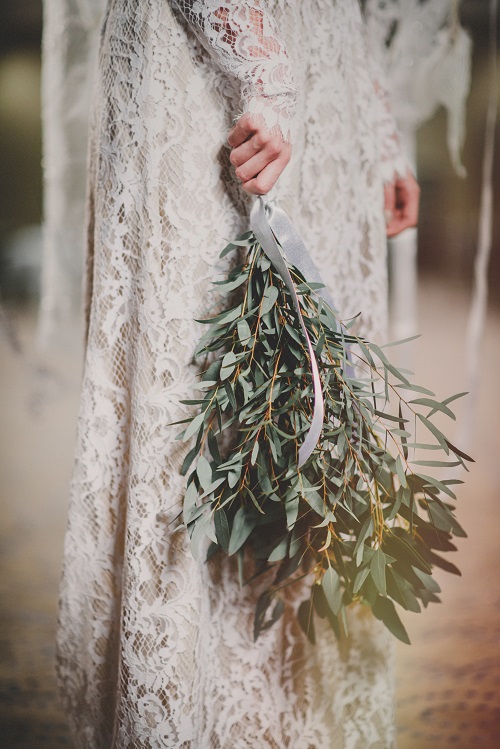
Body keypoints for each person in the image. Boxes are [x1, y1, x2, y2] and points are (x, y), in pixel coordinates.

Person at [53, 1, 419, 746]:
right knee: (198, 391)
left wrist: (378, 128)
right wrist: (265, 73)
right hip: (209, 53)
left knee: (314, 406)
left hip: (320, 62)